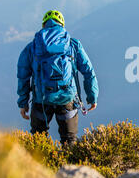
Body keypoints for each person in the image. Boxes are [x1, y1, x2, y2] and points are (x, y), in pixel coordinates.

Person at [17, 10, 99, 144]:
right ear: (62, 25)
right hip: (67, 99)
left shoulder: (32, 48)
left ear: (44, 25)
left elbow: (23, 76)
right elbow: (88, 71)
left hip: (41, 100)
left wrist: (23, 103)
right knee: (69, 140)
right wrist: (92, 96)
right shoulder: (73, 45)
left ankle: (40, 164)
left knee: (38, 141)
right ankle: (70, 165)